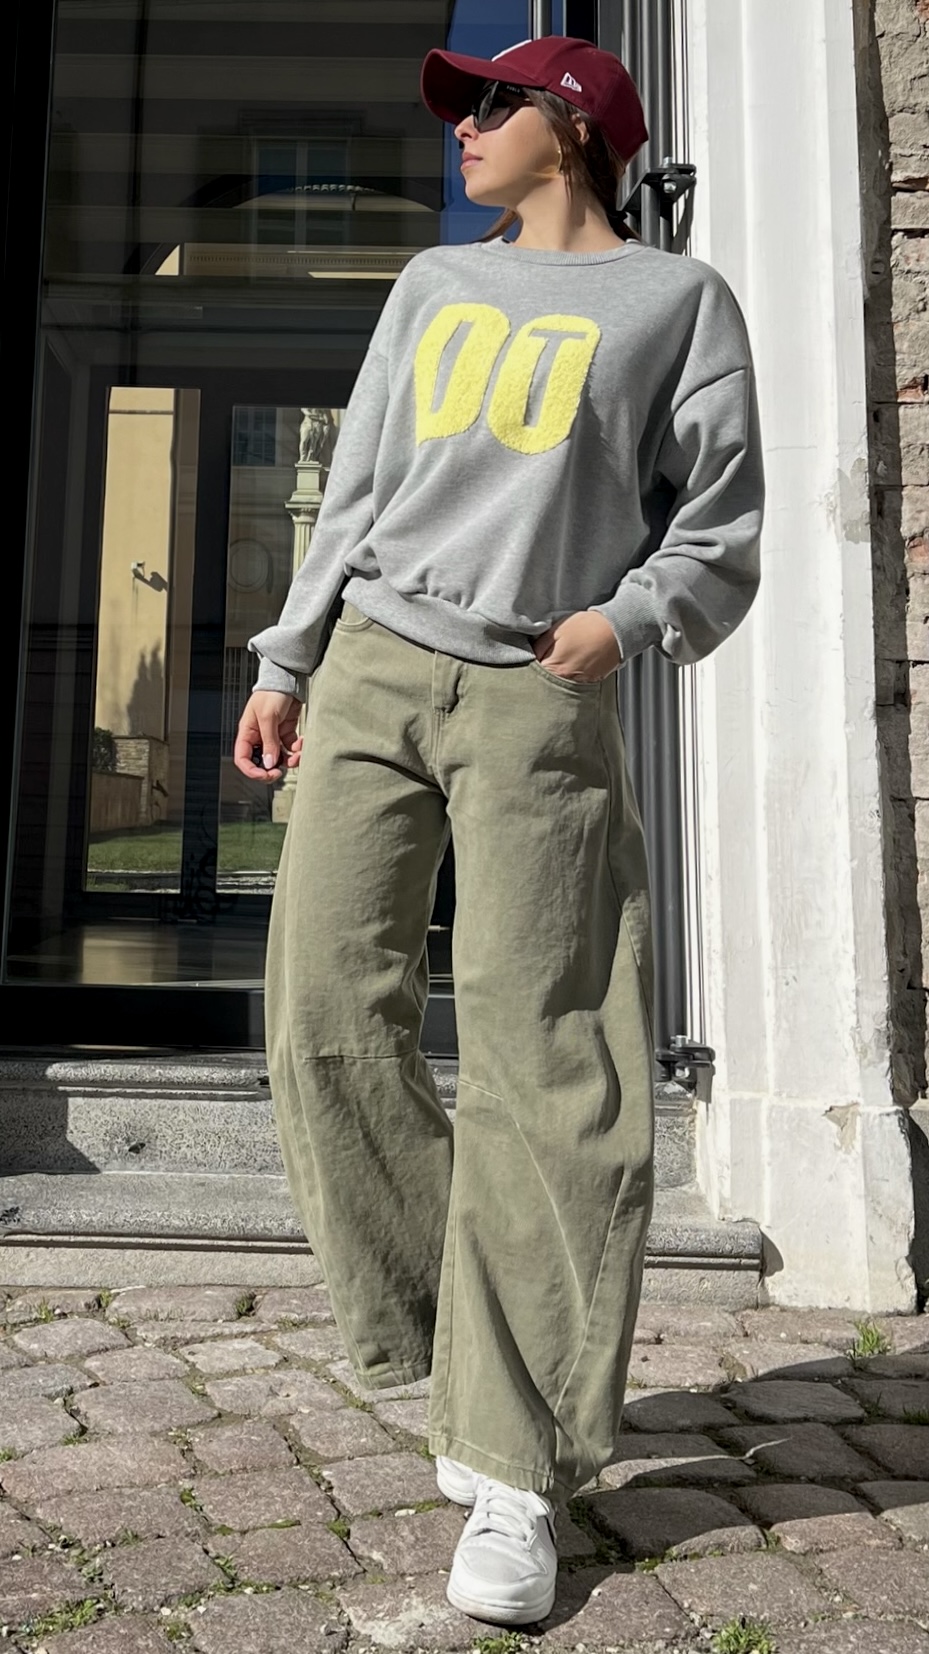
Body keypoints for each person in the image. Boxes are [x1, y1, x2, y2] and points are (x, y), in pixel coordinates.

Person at [234, 33, 765, 1628]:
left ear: (575, 127)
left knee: (550, 1061)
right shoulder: (430, 282)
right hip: (376, 664)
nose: (462, 128)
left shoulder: (675, 303)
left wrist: (624, 620)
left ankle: (516, 1458)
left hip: (539, 689)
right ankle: (467, 1357)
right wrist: (287, 658)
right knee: (320, 1016)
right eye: (461, 105)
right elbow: (356, 487)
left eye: (489, 103)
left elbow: (719, 518)